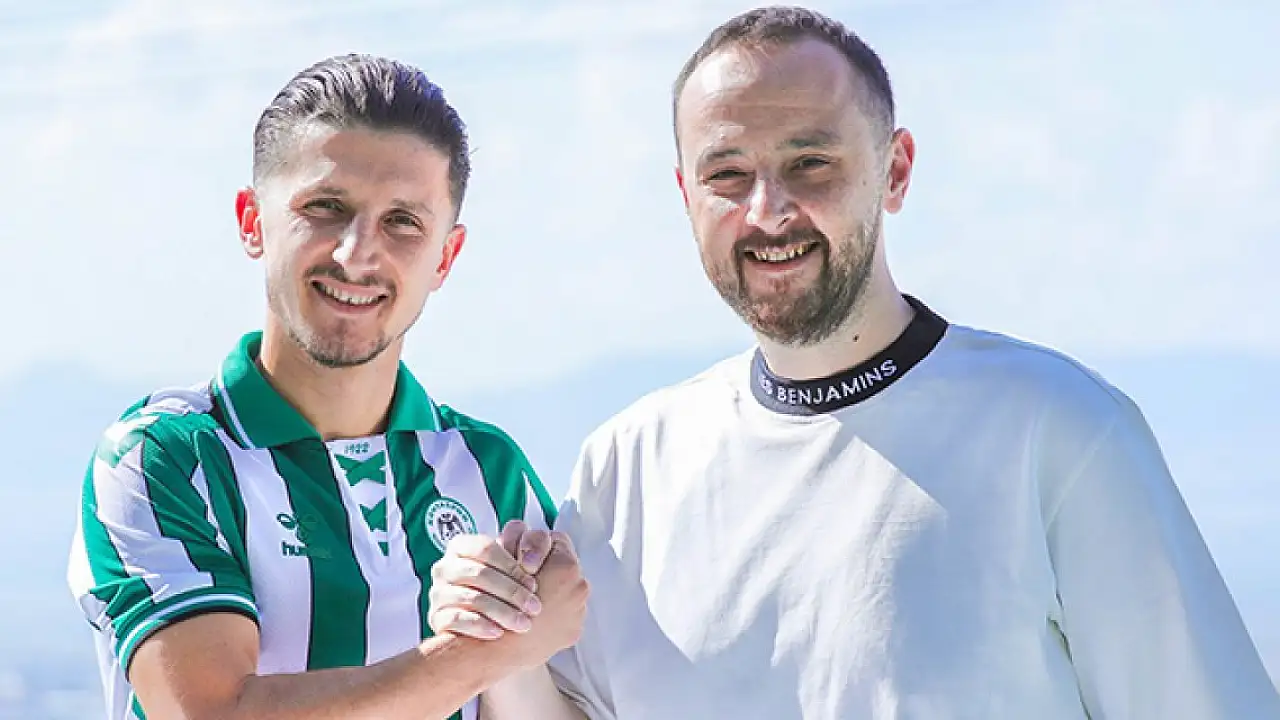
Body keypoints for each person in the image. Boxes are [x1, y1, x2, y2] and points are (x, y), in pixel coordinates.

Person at [426, 6, 1280, 719]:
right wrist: (500, 647)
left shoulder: (1058, 430)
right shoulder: (628, 465)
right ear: (687, 196)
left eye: (811, 163)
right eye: (728, 173)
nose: (769, 211)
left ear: (894, 171)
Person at [67, 54, 590, 720]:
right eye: (325, 208)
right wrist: (482, 655)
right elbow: (215, 713)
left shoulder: (489, 470)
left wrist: (516, 655)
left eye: (403, 221)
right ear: (253, 222)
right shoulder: (165, 457)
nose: (356, 254)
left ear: (446, 257)